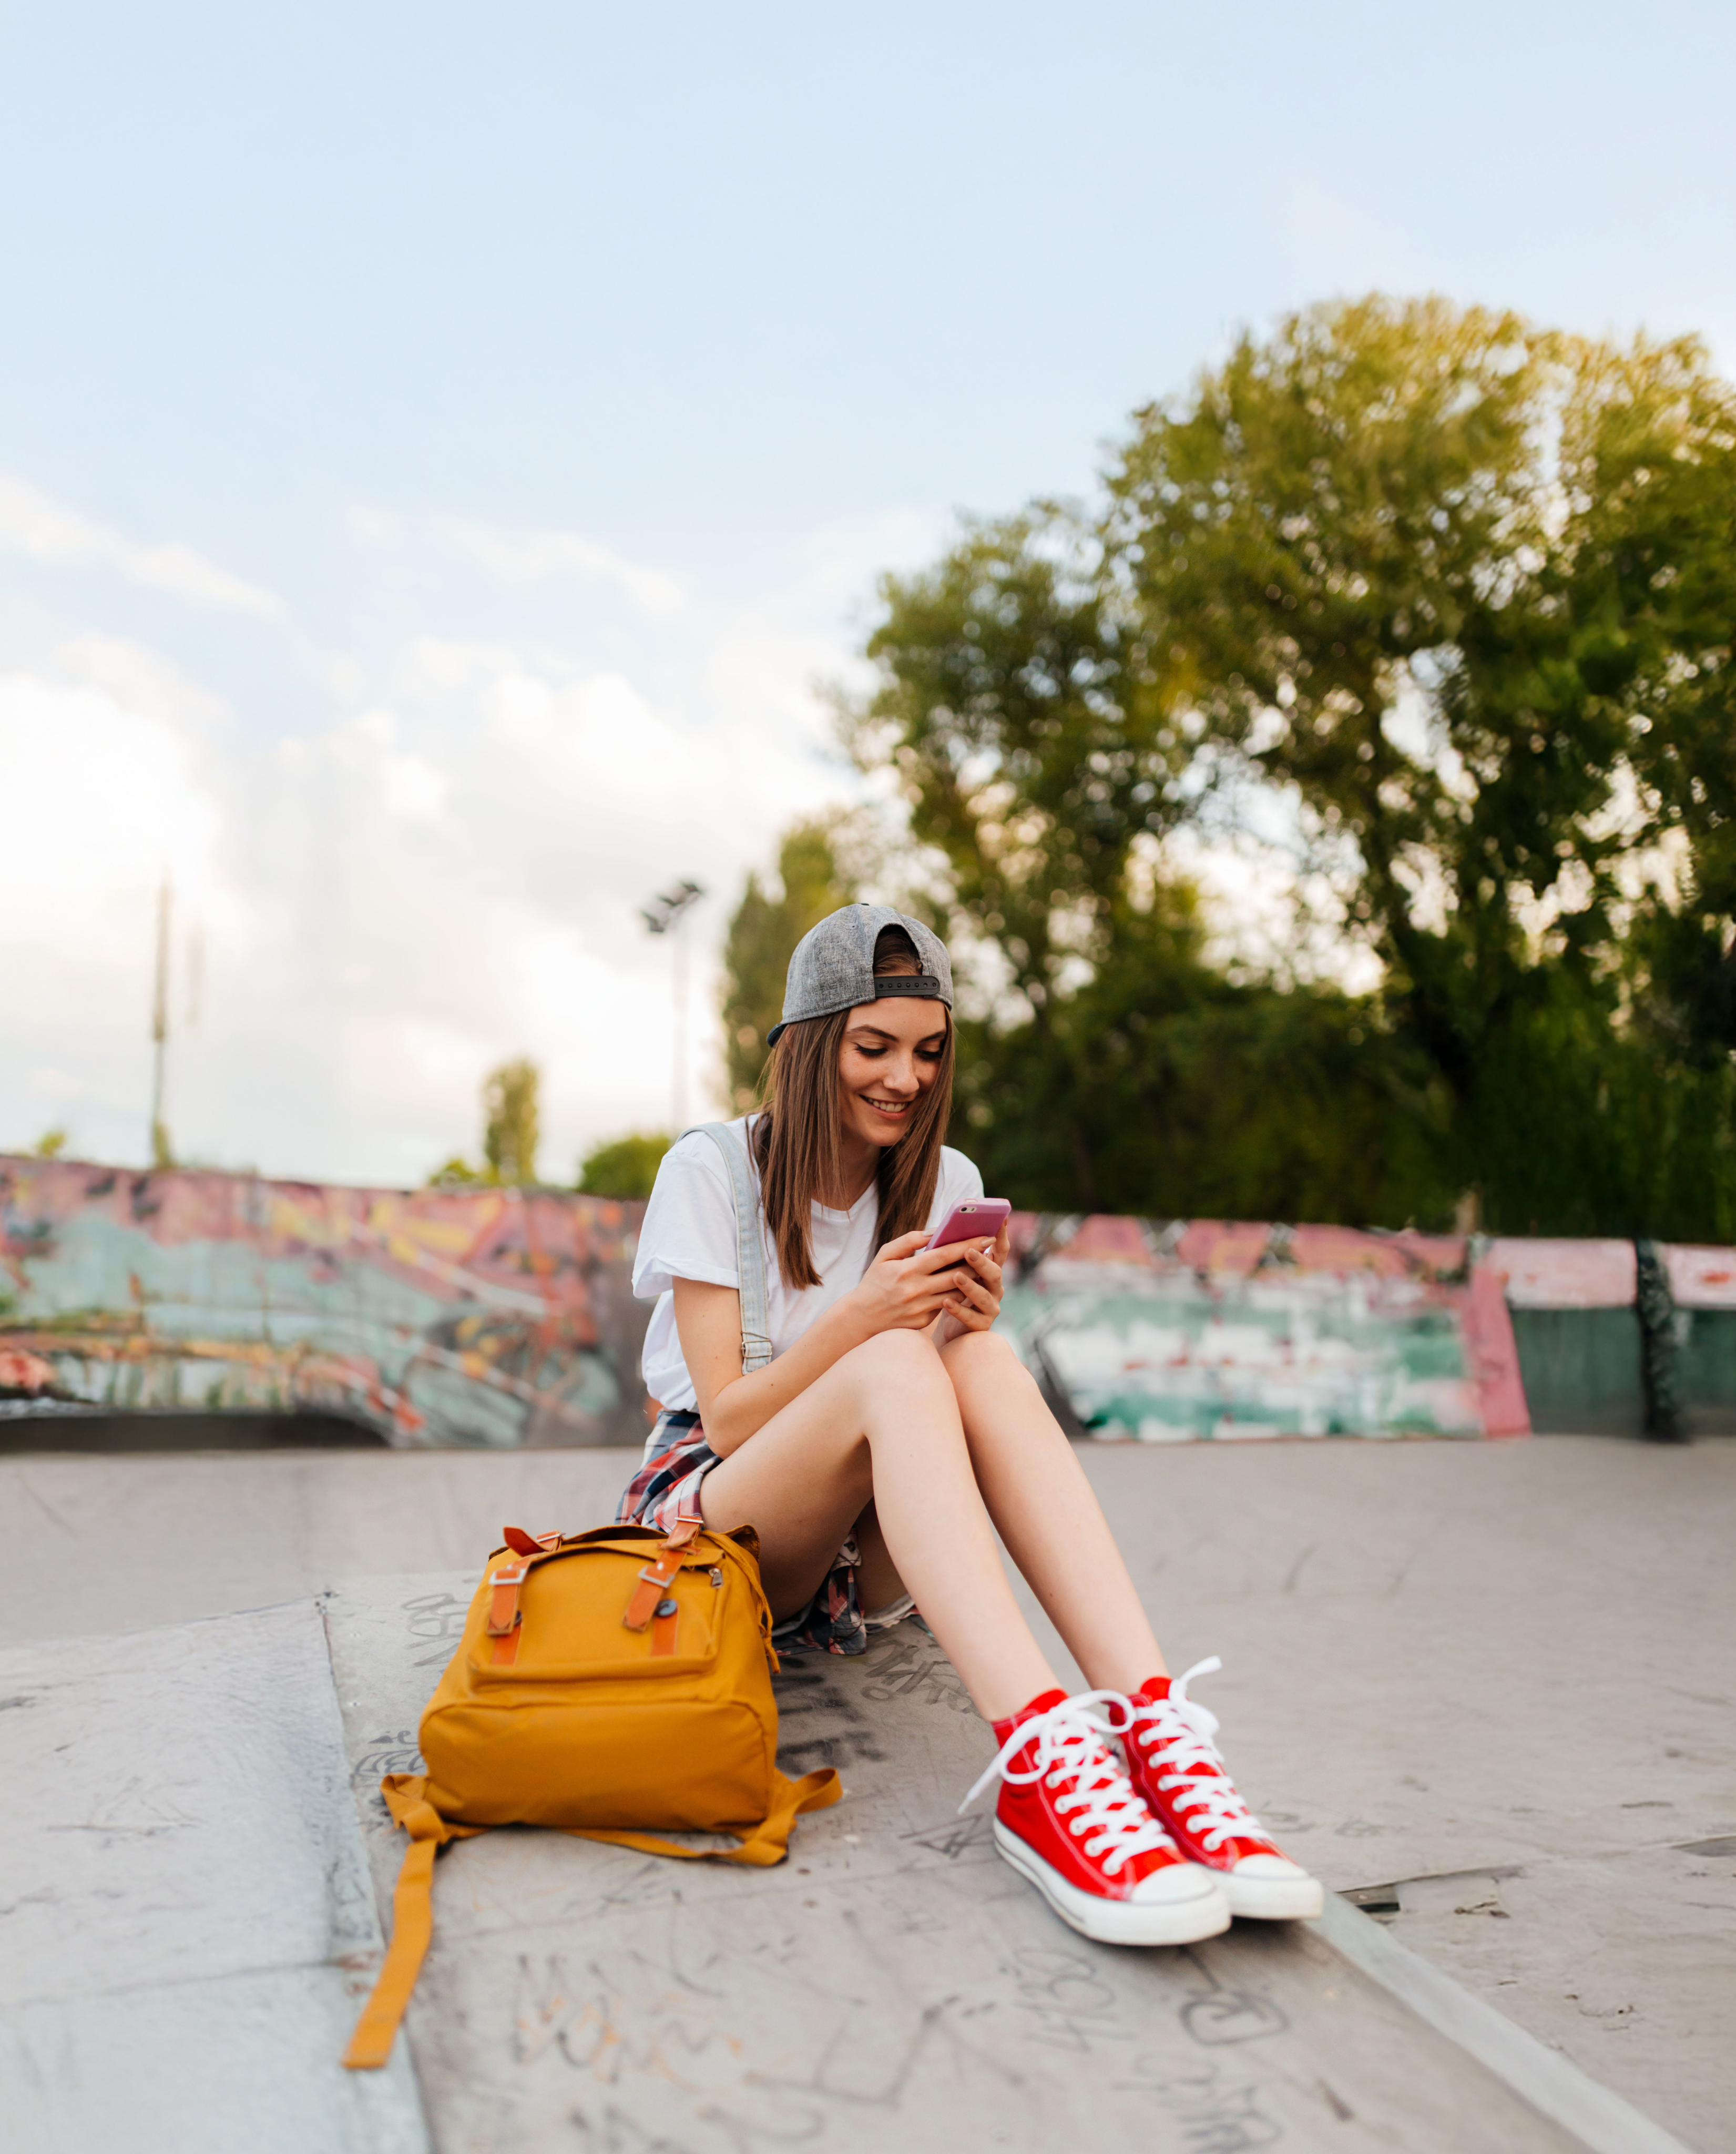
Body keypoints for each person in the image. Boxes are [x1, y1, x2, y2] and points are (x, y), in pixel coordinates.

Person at [621, 902, 1321, 1947]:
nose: (904, 1077)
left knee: (979, 1356)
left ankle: (1154, 1729)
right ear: (812, 1045)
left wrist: (959, 1327)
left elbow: (935, 1374)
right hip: (710, 1520)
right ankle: (1041, 1760)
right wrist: (868, 1319)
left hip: (861, 1537)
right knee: (898, 1357)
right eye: (874, 1045)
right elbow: (725, 1416)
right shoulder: (713, 1169)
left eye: (928, 1051)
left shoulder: (942, 1178)